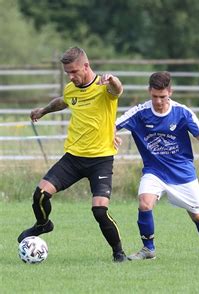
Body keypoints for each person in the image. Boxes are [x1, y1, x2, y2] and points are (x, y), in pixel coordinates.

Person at [17, 46, 127, 262]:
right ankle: (43, 224)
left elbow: (118, 90)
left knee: (99, 211)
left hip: (100, 160)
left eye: (74, 71)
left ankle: (119, 252)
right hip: (73, 158)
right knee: (39, 195)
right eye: (67, 72)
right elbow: (62, 101)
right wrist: (43, 111)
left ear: (86, 66)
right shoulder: (71, 89)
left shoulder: (104, 88)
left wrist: (112, 80)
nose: (71, 76)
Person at [115, 71, 199, 261]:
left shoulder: (182, 112)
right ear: (149, 91)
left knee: (197, 216)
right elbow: (111, 124)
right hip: (154, 171)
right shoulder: (139, 113)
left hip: (182, 173)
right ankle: (148, 248)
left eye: (163, 96)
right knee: (144, 203)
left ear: (170, 92)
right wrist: (111, 134)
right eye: (155, 96)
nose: (158, 101)